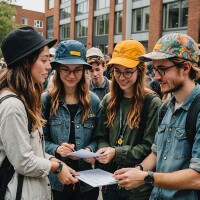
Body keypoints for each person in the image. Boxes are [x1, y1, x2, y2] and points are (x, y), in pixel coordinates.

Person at [114, 33, 200, 200]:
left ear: (186, 68)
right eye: (154, 70)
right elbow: (156, 153)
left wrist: (147, 178)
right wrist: (137, 170)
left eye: (163, 69)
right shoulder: (166, 107)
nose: (156, 77)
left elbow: (197, 178)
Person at [0, 26, 78, 200]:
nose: (49, 66)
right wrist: (56, 168)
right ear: (26, 62)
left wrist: (56, 162)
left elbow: (33, 151)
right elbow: (23, 162)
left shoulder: (24, 99)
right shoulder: (13, 105)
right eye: (43, 60)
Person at [95, 39, 162, 200]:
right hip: (109, 181)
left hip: (137, 189)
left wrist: (116, 152)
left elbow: (150, 147)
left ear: (140, 71)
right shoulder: (108, 100)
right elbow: (101, 136)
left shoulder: (152, 103)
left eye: (128, 72)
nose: (121, 77)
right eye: (117, 71)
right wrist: (103, 150)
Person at [42, 40, 101, 200]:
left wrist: (90, 151)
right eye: (65, 70)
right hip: (57, 181)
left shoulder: (94, 101)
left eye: (77, 70)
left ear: (83, 71)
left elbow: (100, 138)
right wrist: (56, 149)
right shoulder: (46, 100)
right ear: (58, 70)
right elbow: (39, 141)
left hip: (87, 182)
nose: (71, 75)